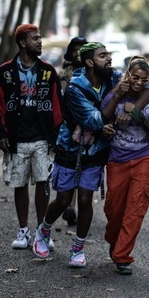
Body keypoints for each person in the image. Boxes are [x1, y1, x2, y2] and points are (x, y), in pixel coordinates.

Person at [32, 42, 149, 267]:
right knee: (63, 200)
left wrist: (135, 109)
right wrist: (117, 96)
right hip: (71, 150)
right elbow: (94, 120)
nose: (108, 58)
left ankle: (77, 248)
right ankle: (44, 229)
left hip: (96, 152)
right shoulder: (75, 87)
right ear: (89, 62)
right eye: (102, 56)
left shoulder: (112, 76)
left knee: (86, 199)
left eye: (108, 54)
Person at [0, 24, 63, 250]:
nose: (40, 42)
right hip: (16, 139)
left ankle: (42, 231)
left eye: (40, 38)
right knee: (19, 184)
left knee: (44, 183)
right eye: (35, 39)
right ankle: (23, 231)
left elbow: (58, 106)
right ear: (22, 43)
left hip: (42, 138)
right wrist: (0, 133)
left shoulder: (49, 72)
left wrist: (57, 135)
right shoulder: (4, 72)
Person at [102, 57, 149, 275]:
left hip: (144, 157)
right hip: (117, 159)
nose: (139, 82)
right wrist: (106, 127)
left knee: (136, 208)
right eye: (135, 77)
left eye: (144, 79)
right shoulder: (113, 95)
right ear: (127, 75)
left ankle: (122, 256)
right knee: (114, 208)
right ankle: (114, 240)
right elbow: (102, 119)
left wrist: (136, 113)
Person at [59, 36, 88, 226]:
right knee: (67, 165)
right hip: (68, 126)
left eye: (82, 49)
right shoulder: (64, 75)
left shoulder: (93, 73)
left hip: (89, 126)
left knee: (83, 167)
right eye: (74, 48)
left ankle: (75, 205)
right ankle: (68, 204)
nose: (77, 52)